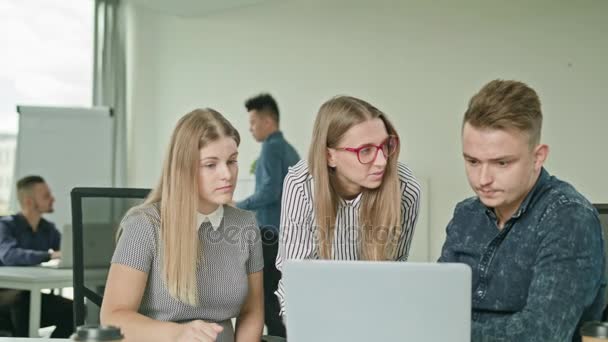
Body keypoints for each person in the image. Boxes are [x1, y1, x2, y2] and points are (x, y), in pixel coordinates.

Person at [438, 79, 605, 342]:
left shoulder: (569, 218)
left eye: (501, 163)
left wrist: (441, 333)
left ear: (538, 157)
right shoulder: (465, 215)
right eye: (472, 161)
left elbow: (542, 334)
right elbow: (439, 307)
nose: (482, 179)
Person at [100, 108, 264, 342]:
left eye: (232, 161)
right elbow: (113, 317)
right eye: (211, 164)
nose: (227, 174)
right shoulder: (145, 225)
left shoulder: (245, 225)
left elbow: (252, 312)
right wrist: (178, 333)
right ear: (183, 169)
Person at [275, 95, 422, 317]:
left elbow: (394, 271)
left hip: (374, 310)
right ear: (329, 156)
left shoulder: (404, 189)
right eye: (365, 150)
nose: (382, 161)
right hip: (314, 309)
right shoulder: (301, 184)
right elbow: (296, 279)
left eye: (385, 146)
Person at [236, 93, 299, 337]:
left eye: (253, 122)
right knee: (279, 296)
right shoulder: (288, 150)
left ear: (268, 122)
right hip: (285, 235)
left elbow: (270, 191)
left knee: (266, 298)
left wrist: (238, 205)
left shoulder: (272, 149)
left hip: (271, 235)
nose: (250, 129)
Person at [0, 175, 73, 337]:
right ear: (28, 201)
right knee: (23, 302)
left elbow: (66, 251)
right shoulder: (5, 226)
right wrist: (49, 255)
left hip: (29, 294)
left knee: (76, 310)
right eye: (46, 196)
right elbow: (9, 256)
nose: (52, 199)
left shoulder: (47, 228)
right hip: (5, 294)